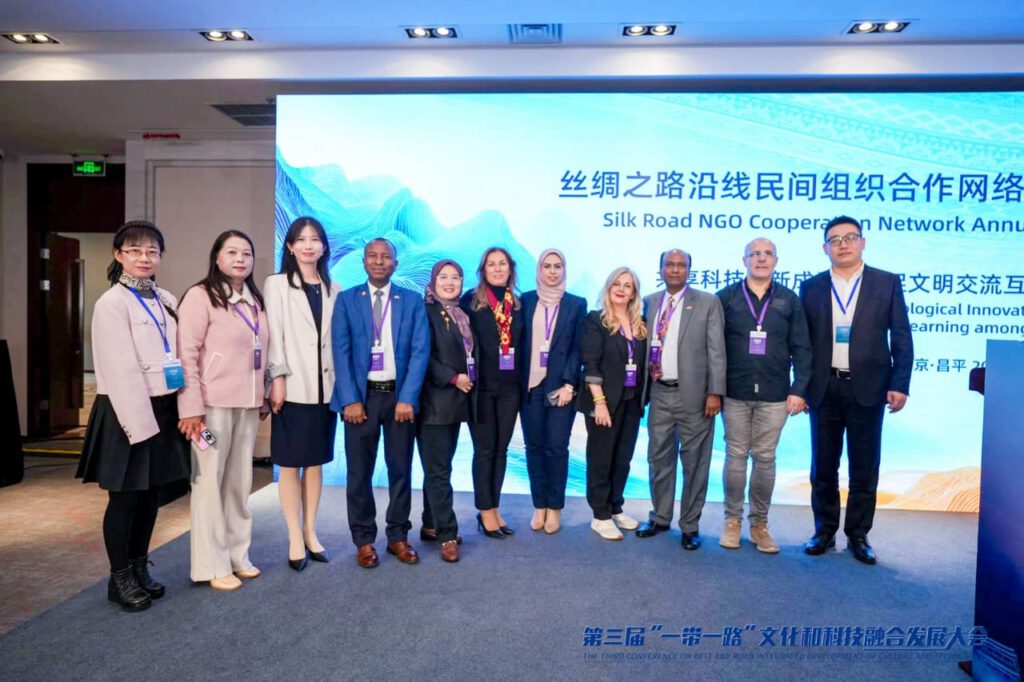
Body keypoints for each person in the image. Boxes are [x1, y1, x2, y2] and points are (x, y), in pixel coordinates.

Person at [77, 220, 190, 612]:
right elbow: (121, 370)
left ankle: (140, 566)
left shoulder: (166, 298)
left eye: (152, 251)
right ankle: (119, 576)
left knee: (150, 496)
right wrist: (141, 427)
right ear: (119, 254)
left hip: (163, 408)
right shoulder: (112, 303)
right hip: (126, 410)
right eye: (135, 251)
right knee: (124, 499)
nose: (145, 258)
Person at [800, 216, 913, 565]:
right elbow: (802, 344)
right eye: (835, 239)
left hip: (869, 387)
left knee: (864, 466)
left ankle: (858, 534)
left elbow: (902, 335)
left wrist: (900, 384)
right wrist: (801, 386)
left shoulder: (886, 282)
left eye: (850, 237)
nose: (843, 244)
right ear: (825, 248)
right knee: (823, 465)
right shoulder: (811, 287)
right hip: (824, 387)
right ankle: (824, 530)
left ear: (863, 242)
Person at [177, 230, 270, 591]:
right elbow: (186, 355)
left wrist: (263, 395)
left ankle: (237, 555)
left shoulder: (255, 300)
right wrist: (190, 408)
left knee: (239, 483)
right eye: (231, 252)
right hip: (210, 408)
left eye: (246, 253)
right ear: (216, 257)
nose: (240, 259)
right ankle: (211, 565)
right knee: (208, 484)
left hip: (247, 407)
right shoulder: (200, 296)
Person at [332, 238, 430, 568]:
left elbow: (420, 352)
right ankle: (363, 540)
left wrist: (408, 397)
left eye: (385, 257)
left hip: (399, 399)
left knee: (400, 470)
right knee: (359, 473)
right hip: (361, 400)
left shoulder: (411, 301)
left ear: (395, 264)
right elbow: (340, 353)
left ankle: (398, 536)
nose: (378, 261)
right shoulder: (347, 300)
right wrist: (350, 399)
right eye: (372, 256)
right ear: (363, 262)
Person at [716, 238, 812, 553]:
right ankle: (732, 521)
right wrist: (713, 390)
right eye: (754, 254)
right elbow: (712, 347)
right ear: (744, 260)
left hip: (775, 393)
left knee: (765, 458)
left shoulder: (789, 300)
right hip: (734, 391)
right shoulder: (726, 298)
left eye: (767, 254)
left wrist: (799, 390)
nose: (761, 259)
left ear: (776, 261)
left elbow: (802, 347)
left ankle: (759, 524)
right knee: (735, 456)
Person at [636, 249, 726, 550]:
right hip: (659, 392)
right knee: (658, 458)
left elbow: (717, 350)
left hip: (697, 396)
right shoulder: (649, 302)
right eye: (669, 265)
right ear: (661, 269)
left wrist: (715, 392)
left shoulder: (707, 302)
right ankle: (660, 517)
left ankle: (690, 525)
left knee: (695, 463)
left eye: (681, 265)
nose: (675, 269)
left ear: (689, 270)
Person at [264, 216, 339, 572]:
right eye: (301, 239)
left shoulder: (334, 288)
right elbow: (273, 336)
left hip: (326, 390)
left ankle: (311, 531)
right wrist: (276, 378)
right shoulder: (277, 284)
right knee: (290, 464)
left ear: (324, 247)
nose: (309, 245)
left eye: (315, 239)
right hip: (292, 388)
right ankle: (294, 536)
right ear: (290, 246)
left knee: (316, 462)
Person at [578, 267, 648, 540]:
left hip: (632, 401)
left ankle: (615, 507)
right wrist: (599, 402)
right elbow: (590, 363)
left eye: (627, 285)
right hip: (604, 401)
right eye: (617, 284)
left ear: (633, 293)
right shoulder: (596, 320)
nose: (621, 289)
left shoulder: (641, 324)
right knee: (601, 458)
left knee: (622, 459)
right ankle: (600, 515)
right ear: (608, 287)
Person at [519, 249, 585, 534]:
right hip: (530, 387)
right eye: (547, 266)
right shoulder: (525, 300)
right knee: (534, 448)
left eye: (558, 266)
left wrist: (570, 384)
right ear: (539, 270)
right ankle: (540, 505)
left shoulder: (576, 304)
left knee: (556, 448)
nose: (552, 271)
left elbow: (578, 348)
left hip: (561, 388)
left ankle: (555, 507)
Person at [460, 247, 524, 539]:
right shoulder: (470, 302)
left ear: (510, 269)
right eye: (491, 264)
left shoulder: (519, 304)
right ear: (483, 270)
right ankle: (484, 510)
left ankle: (494, 507)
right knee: (485, 450)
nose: (497, 269)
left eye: (502, 264)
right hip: (482, 389)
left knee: (501, 450)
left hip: (510, 389)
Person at [417, 259, 478, 563]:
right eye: (444, 277)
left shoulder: (461, 313)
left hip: (453, 404)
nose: (450, 282)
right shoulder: (425, 312)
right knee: (439, 471)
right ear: (433, 280)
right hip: (434, 403)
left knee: (438, 468)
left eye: (456, 277)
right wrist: (453, 378)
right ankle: (447, 535)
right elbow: (422, 356)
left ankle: (431, 524)